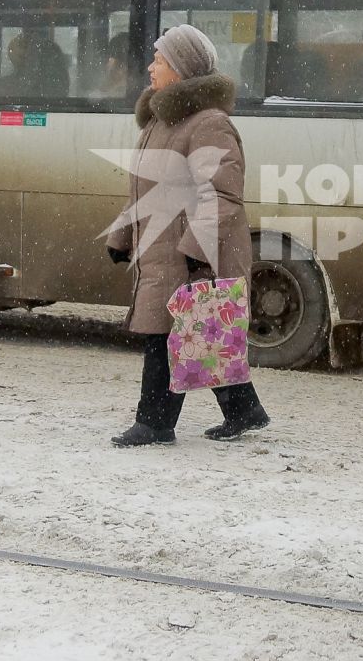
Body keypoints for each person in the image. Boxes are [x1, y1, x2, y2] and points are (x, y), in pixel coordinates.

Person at [106, 24, 271, 447]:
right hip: (166, 247)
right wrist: (122, 235)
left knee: (164, 335)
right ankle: (244, 411)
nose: (150, 67)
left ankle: (155, 423)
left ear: (180, 70)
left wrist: (196, 252)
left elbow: (221, 194)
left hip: (190, 251)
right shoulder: (161, 121)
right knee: (200, 332)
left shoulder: (209, 124)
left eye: (159, 60)